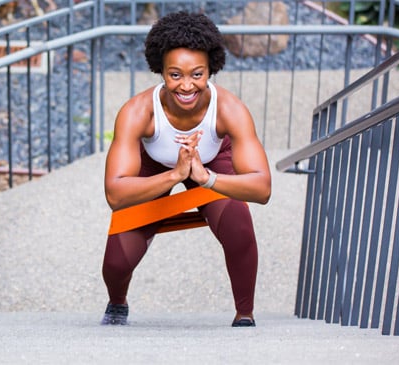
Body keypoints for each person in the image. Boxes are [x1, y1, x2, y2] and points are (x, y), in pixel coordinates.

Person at [101, 11, 271, 327]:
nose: (187, 85)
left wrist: (206, 178)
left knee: (239, 226)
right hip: (155, 166)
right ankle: (118, 302)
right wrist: (176, 174)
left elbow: (262, 189)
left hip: (210, 162)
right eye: (175, 75)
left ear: (211, 70)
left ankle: (244, 315)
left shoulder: (230, 110)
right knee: (116, 262)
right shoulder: (138, 112)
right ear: (160, 71)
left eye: (197, 74)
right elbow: (115, 193)